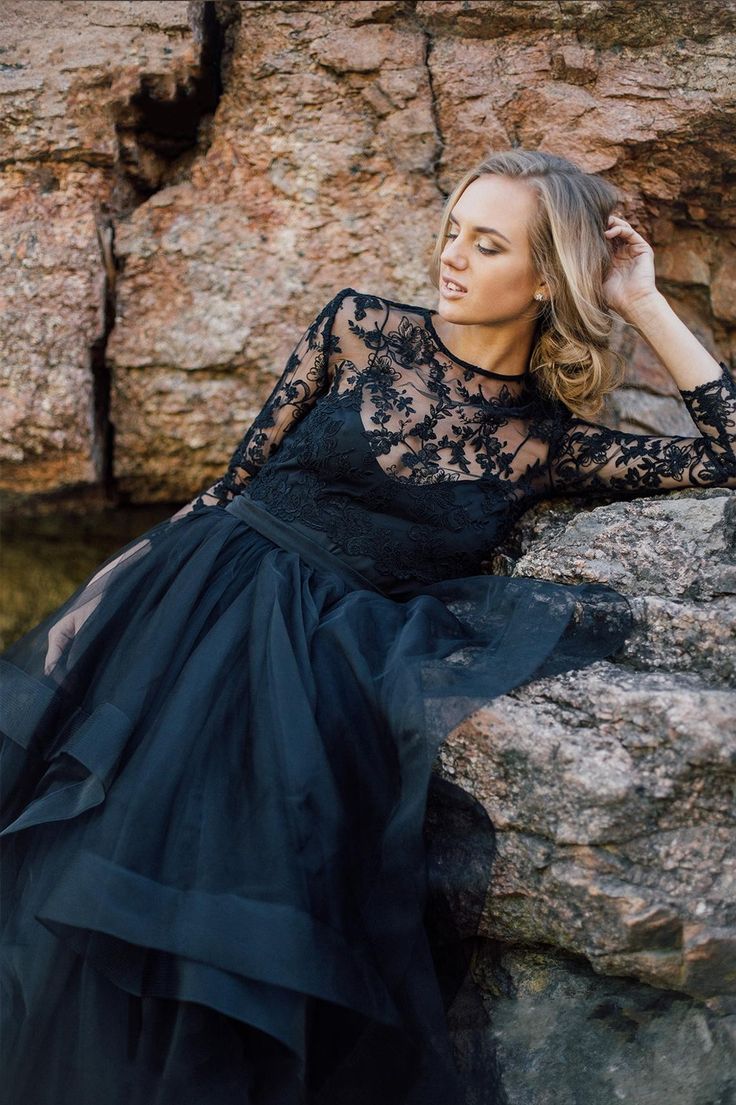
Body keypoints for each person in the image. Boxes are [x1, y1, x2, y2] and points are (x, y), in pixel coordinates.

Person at [1, 148, 734, 1105]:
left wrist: (641, 296)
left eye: (487, 243)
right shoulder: (358, 326)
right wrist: (103, 612)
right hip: (203, 601)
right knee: (75, 862)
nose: (452, 259)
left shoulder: (547, 442)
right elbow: (236, 478)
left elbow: (727, 448)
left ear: (549, 279)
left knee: (237, 910)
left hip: (328, 662)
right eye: (451, 232)